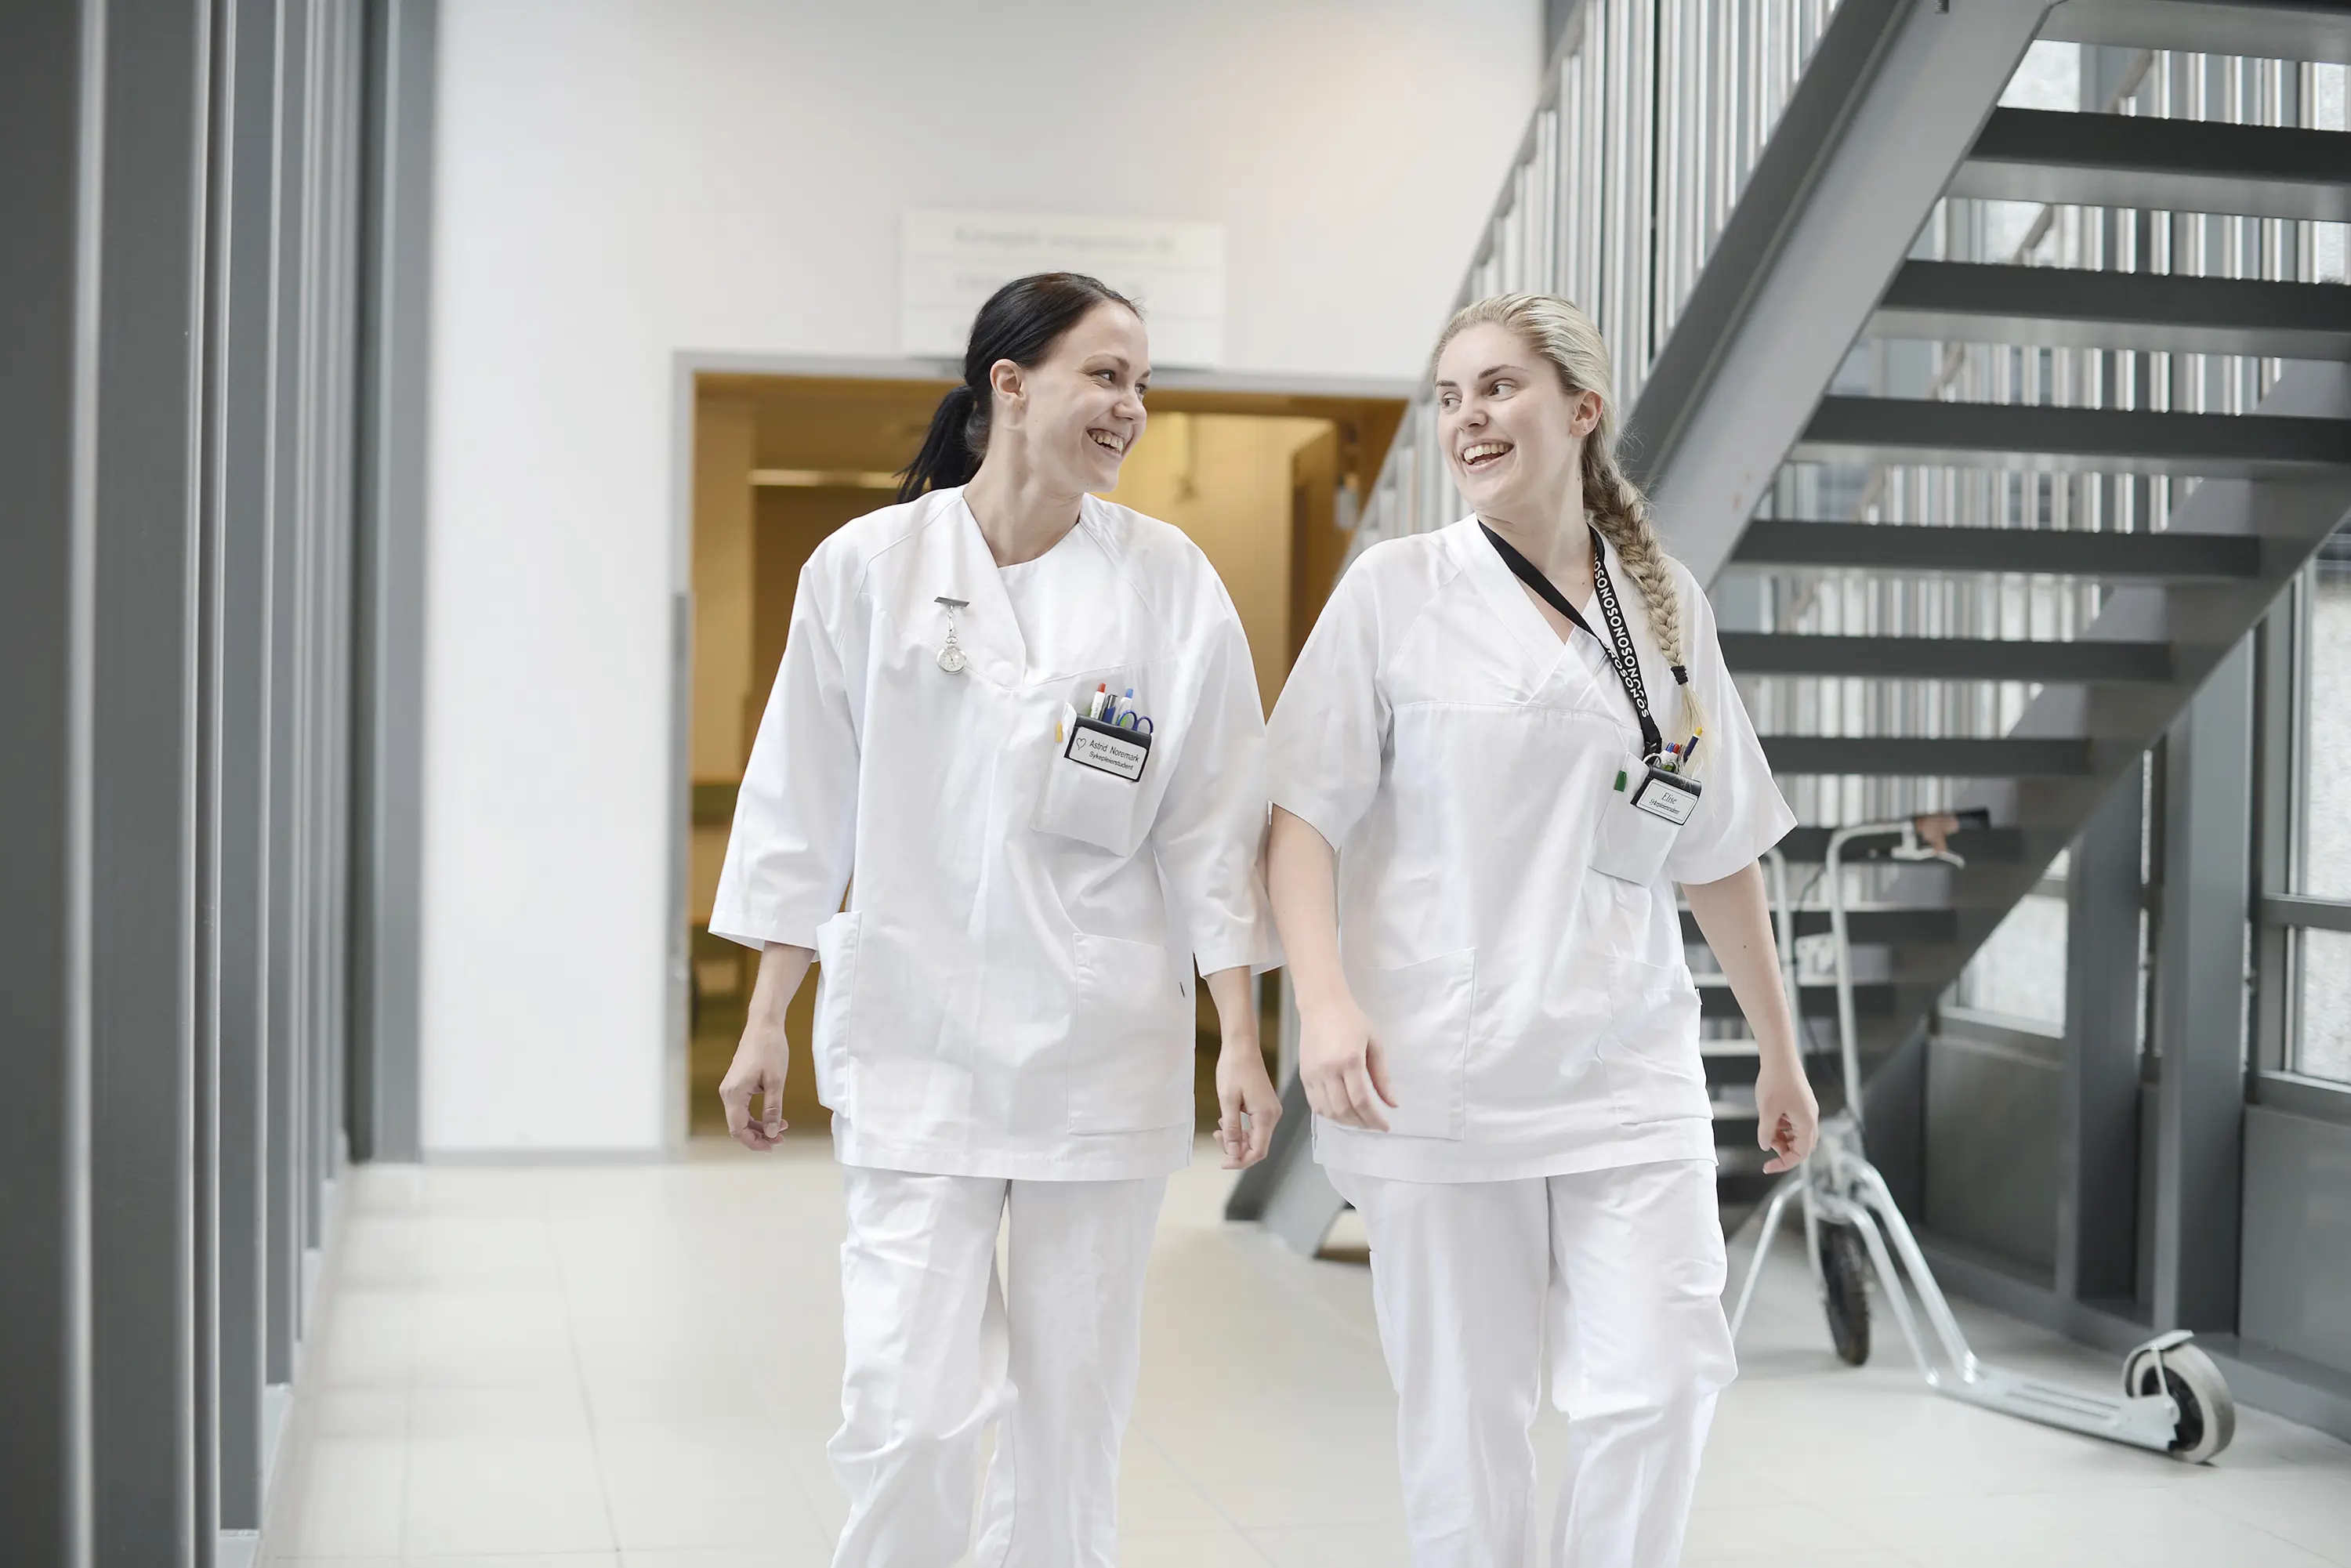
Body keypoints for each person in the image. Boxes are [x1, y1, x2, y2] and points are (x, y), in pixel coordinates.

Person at [710, 271, 1281, 1567]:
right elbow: (802, 801)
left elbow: (1213, 821)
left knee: (1070, 1428)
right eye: (1106, 375)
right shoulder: (869, 567)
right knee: (907, 1414)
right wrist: (765, 1021)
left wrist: (1240, 1036)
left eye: (1144, 383)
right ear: (1008, 387)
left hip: (1102, 1053)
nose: (1132, 407)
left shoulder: (1167, 582)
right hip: (917, 1047)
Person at [1264, 292, 1817, 1566]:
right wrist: (1327, 1001)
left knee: (1666, 1379)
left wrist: (1777, 1052)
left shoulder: (1662, 600)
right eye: (1451, 396)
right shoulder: (1396, 590)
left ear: (1580, 410)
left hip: (1629, 1064)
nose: (1468, 418)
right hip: (1441, 1070)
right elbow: (1300, 817)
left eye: (1498, 387)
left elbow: (1715, 843)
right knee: (1468, 1423)